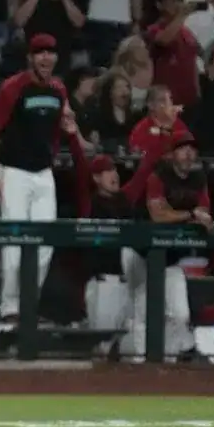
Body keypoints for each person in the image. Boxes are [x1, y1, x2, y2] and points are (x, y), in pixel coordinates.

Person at [0, 33, 73, 323]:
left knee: (45, 242)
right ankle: (10, 308)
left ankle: (28, 307)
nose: (46, 58)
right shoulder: (13, 87)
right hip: (14, 172)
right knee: (13, 240)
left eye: (51, 53)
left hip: (44, 173)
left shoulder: (59, 89)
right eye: (40, 53)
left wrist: (55, 153)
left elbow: (60, 127)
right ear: (30, 58)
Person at [71, 134, 170, 358]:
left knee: (127, 348)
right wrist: (72, 137)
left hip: (128, 283)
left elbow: (145, 169)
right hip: (102, 283)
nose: (114, 174)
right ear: (96, 178)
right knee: (101, 347)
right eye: (107, 171)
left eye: (114, 170)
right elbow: (79, 169)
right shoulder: (90, 203)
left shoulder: (124, 199)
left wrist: (163, 134)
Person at [120, 130, 212, 363]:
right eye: (182, 148)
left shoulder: (199, 178)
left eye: (192, 148)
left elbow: (205, 212)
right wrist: (191, 214)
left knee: (180, 314)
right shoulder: (159, 175)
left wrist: (198, 215)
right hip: (139, 251)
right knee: (143, 310)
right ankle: (139, 361)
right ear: (171, 154)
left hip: (169, 257)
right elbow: (158, 214)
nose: (188, 152)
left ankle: (167, 362)